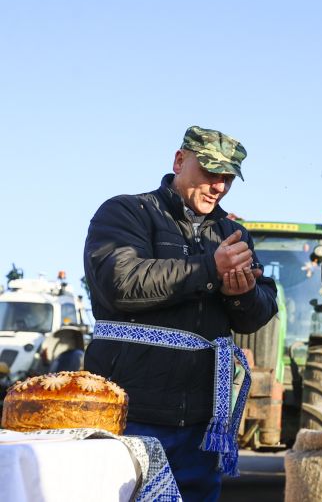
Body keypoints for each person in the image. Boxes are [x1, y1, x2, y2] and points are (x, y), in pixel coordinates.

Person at [84, 126, 278, 501]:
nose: (218, 186)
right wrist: (210, 270)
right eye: (209, 172)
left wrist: (245, 294)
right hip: (129, 413)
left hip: (201, 425)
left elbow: (258, 311)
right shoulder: (126, 212)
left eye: (227, 178)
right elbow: (119, 281)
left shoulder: (233, 233)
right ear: (178, 160)